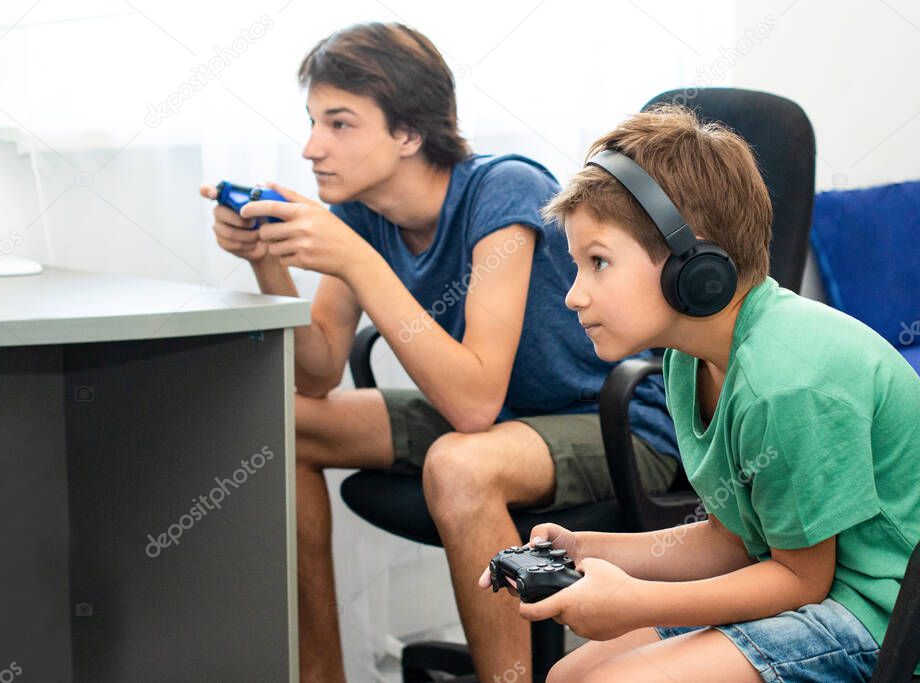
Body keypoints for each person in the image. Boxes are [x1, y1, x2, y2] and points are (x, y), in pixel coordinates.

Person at [203, 23, 677, 682]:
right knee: (285, 422)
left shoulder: (503, 190)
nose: (312, 147)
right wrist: (267, 263)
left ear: (408, 132)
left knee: (460, 463)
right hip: (508, 421)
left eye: (340, 124)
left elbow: (474, 402)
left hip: (615, 422)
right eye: (312, 122)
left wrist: (360, 263)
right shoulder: (362, 214)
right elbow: (316, 374)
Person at [479, 104, 920, 682]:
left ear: (693, 264)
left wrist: (635, 602)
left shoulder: (783, 381)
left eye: (598, 263)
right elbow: (735, 539)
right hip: (813, 592)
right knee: (567, 677)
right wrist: (590, 550)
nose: (574, 296)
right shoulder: (689, 360)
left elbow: (801, 580)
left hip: (876, 617)